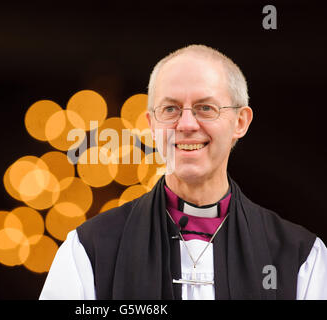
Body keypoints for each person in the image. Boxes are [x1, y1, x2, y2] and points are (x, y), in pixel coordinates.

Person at [39, 44, 327, 300]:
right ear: (151, 125)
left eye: (205, 107)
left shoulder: (301, 255)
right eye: (170, 109)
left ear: (240, 121)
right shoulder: (89, 250)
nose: (186, 124)